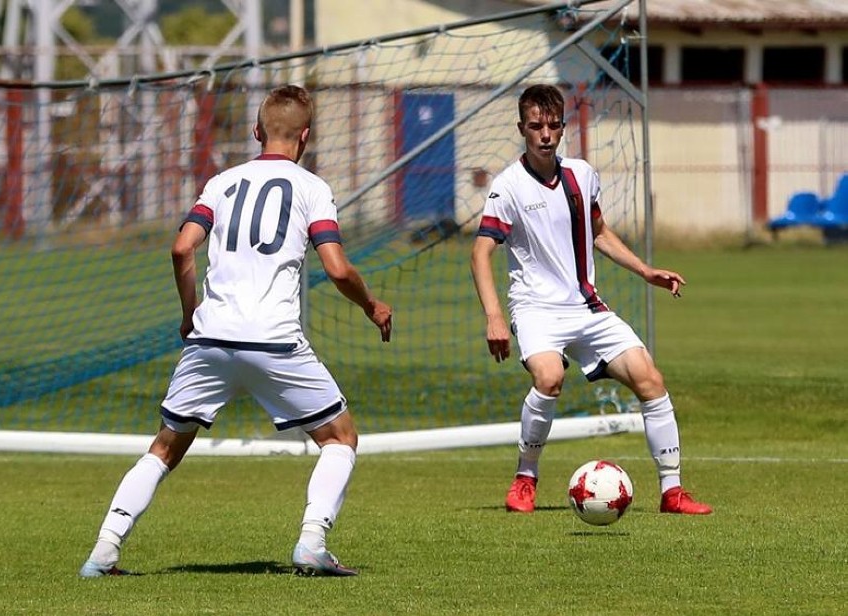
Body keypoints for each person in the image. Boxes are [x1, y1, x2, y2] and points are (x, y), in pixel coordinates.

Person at [79, 85, 392, 578]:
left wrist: (189, 314)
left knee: (164, 448)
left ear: (256, 132)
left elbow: (182, 249)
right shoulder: (311, 188)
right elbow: (336, 268)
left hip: (211, 340)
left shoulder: (221, 183)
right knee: (340, 439)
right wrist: (372, 305)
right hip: (274, 340)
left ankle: (104, 550)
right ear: (306, 137)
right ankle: (312, 541)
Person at [470, 84, 711, 516]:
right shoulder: (507, 187)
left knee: (650, 380)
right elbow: (481, 252)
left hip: (587, 308)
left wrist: (645, 270)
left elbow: (598, 233)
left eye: (553, 125)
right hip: (536, 310)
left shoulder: (582, 175)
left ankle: (672, 492)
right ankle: (525, 478)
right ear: (521, 128)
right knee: (548, 378)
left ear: (563, 126)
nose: (545, 134)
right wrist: (494, 317)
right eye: (535, 126)